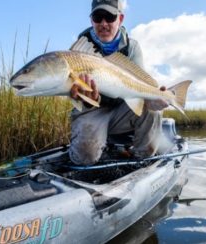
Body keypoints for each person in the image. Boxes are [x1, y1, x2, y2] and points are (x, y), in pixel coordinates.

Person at [68, 0, 168, 165]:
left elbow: (141, 82)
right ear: (91, 20)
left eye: (110, 17)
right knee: (84, 158)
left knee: (152, 109)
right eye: (98, 17)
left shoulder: (132, 47)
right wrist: (84, 97)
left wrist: (154, 97)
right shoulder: (78, 50)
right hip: (93, 110)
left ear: (120, 19)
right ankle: (97, 147)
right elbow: (73, 93)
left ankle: (142, 159)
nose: (104, 23)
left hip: (123, 109)